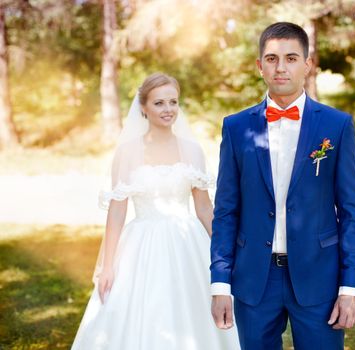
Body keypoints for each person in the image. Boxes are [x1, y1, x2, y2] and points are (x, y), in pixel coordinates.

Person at [210, 22, 355, 349]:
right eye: (271, 59)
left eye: (291, 58)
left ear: (307, 65)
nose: (281, 67)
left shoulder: (337, 126)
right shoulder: (236, 128)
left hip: (318, 279)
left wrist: (350, 288)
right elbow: (226, 211)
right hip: (254, 280)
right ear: (259, 66)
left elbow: (352, 212)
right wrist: (220, 284)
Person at [72, 73, 239, 349]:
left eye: (173, 102)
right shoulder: (127, 152)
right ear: (143, 107)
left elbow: (204, 208)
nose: (168, 109)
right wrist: (108, 265)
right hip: (142, 244)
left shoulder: (192, 150)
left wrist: (224, 253)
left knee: (193, 310)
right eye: (159, 103)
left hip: (188, 243)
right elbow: (117, 212)